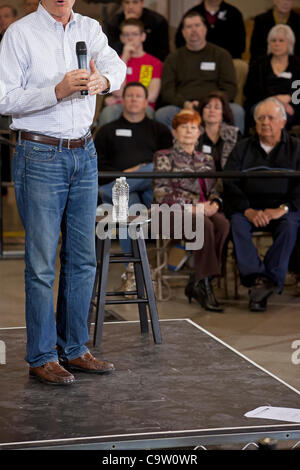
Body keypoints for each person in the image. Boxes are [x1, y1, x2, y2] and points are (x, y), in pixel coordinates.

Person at [0, 0, 126, 385]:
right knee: (41, 264)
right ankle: (41, 355)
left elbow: (117, 67)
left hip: (83, 152)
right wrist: (55, 90)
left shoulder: (89, 26)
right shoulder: (20, 34)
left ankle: (74, 348)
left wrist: (105, 81)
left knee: (82, 258)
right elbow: (4, 98)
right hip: (39, 153)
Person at [223, 97, 300, 312]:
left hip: (282, 209)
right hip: (248, 209)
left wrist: (282, 209)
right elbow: (229, 183)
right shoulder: (242, 148)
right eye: (261, 118)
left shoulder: (296, 148)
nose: (265, 122)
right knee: (236, 223)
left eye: (271, 118)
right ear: (255, 123)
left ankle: (266, 282)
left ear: (283, 122)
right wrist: (247, 210)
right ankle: (258, 278)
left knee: (291, 224)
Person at [96, 82, 172, 290]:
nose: (134, 99)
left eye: (138, 96)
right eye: (129, 96)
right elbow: (99, 165)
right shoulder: (107, 131)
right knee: (128, 206)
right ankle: (133, 268)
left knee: (152, 168)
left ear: (146, 102)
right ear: (123, 101)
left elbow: (166, 165)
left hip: (151, 186)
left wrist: (139, 170)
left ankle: (132, 271)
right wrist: (126, 175)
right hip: (127, 191)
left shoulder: (159, 130)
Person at [153, 109, 230, 312]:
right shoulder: (163, 157)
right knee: (203, 224)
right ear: (174, 132)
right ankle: (204, 285)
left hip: (203, 212)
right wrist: (193, 208)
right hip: (170, 214)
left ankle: (197, 280)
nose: (188, 131)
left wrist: (215, 204)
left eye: (193, 127)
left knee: (222, 224)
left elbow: (215, 190)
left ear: (199, 132)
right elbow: (162, 193)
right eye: (183, 127)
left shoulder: (207, 159)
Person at [155, 11, 245, 134]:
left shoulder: (221, 55)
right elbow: (167, 91)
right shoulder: (173, 58)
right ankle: (174, 152)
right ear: (183, 32)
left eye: (197, 25)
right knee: (162, 114)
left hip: (215, 104)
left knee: (237, 111)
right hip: (183, 105)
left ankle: (235, 151)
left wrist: (212, 104)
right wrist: (185, 104)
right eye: (189, 27)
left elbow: (230, 88)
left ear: (205, 29)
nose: (193, 30)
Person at [98, 18, 162, 127]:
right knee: (108, 112)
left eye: (134, 34)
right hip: (119, 107)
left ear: (143, 36)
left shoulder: (154, 63)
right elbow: (117, 91)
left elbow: (152, 96)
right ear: (122, 38)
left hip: (143, 107)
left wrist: (121, 98)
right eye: (127, 35)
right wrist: (125, 59)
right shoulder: (115, 61)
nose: (131, 38)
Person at [245, 24, 300, 130]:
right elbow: (250, 91)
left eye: (281, 40)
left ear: (290, 43)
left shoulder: (297, 65)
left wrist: (289, 98)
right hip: (261, 104)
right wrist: (275, 100)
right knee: (271, 114)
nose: (276, 44)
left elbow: (299, 89)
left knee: (280, 116)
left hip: (292, 106)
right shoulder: (259, 64)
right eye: (273, 41)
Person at [175, 0, 246, 60]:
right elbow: (180, 41)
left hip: (227, 61)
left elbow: (240, 46)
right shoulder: (192, 13)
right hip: (196, 61)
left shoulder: (234, 14)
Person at [198, 90, 240, 173]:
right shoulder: (193, 133)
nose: (212, 110)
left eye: (216, 107)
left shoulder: (234, 134)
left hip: (226, 180)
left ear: (223, 112)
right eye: (208, 107)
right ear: (202, 111)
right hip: (200, 181)